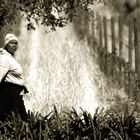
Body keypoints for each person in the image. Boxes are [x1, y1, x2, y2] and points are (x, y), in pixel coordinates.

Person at [0, 33, 28, 121]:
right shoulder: (4, 58)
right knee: (21, 119)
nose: (14, 45)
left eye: (16, 43)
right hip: (9, 94)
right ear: (6, 44)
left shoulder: (10, 57)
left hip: (15, 93)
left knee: (18, 119)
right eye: (12, 43)